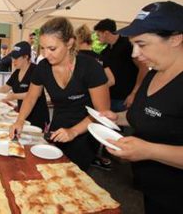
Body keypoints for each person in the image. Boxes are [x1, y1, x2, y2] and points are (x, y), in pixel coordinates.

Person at [101, 1, 183, 214]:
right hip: (153, 189)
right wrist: (116, 117)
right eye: (133, 45)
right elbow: (143, 115)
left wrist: (148, 150)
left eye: (142, 44)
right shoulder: (153, 73)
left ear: (175, 38)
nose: (134, 54)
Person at [10, 17, 110, 171]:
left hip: (85, 131)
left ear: (69, 43)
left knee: (74, 178)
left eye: (52, 49)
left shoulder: (90, 68)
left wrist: (73, 131)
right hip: (57, 129)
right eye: (42, 48)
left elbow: (102, 114)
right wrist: (20, 120)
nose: (45, 54)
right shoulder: (42, 68)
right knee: (51, 172)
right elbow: (31, 97)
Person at [0, 41, 49, 130]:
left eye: (16, 58)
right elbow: (5, 87)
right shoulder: (17, 72)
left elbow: (36, 94)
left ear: (26, 57)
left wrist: (14, 96)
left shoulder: (36, 70)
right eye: (13, 58)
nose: (13, 61)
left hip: (37, 116)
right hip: (22, 115)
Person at [75, 24, 115, 170]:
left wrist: (89, 90)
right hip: (98, 106)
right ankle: (91, 159)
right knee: (92, 135)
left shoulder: (76, 58)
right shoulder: (100, 57)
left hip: (80, 105)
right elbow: (111, 80)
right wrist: (98, 90)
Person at [94, 18, 148, 112]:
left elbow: (144, 68)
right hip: (110, 99)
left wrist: (134, 93)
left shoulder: (128, 45)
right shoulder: (105, 52)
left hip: (125, 99)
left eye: (98, 34)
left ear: (106, 33)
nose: (97, 38)